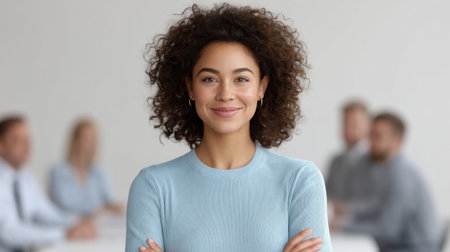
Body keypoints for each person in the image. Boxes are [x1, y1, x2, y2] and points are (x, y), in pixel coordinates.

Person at [126, 3, 332, 252]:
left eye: (241, 79)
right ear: (190, 87)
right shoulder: (153, 187)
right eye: (209, 79)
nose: (226, 93)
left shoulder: (300, 181)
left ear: (261, 87)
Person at [333, 112, 443, 252]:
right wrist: (349, 210)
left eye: (378, 136)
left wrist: (341, 227)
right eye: (371, 135)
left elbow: (387, 230)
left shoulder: (401, 175)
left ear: (398, 140)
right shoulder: (389, 169)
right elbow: (378, 207)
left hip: (416, 248)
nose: (371, 142)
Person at [0, 115, 95, 252]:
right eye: (18, 140)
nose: (27, 145)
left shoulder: (25, 177)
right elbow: (8, 232)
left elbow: (47, 212)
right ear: (1, 145)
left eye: (28, 139)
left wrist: (78, 222)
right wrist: (63, 234)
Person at [49, 118, 123, 217]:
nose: (88, 144)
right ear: (74, 140)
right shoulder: (58, 172)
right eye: (85, 138)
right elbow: (64, 206)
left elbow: (110, 200)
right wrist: (98, 210)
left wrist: (114, 207)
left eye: (92, 140)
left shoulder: (99, 172)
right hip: (68, 226)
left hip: (96, 227)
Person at [326, 100, 371, 202]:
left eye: (354, 123)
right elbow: (327, 195)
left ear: (368, 126)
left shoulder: (375, 161)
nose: (349, 129)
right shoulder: (336, 161)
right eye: (345, 123)